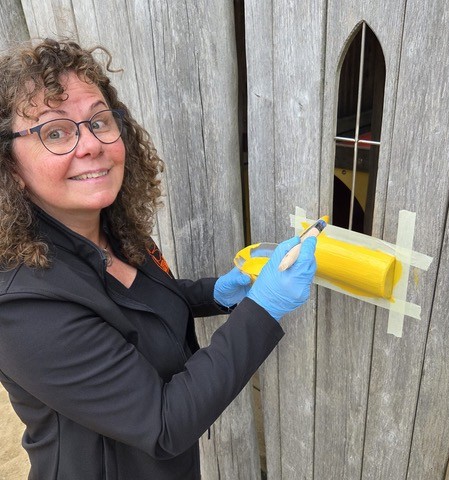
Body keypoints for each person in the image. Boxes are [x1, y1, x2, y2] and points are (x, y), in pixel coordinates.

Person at [0, 38, 318, 480]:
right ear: (11, 167)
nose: (90, 144)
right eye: (55, 132)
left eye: (98, 121)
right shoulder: (21, 307)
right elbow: (165, 423)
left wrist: (218, 292)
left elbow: (137, 306)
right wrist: (264, 307)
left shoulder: (111, 229)